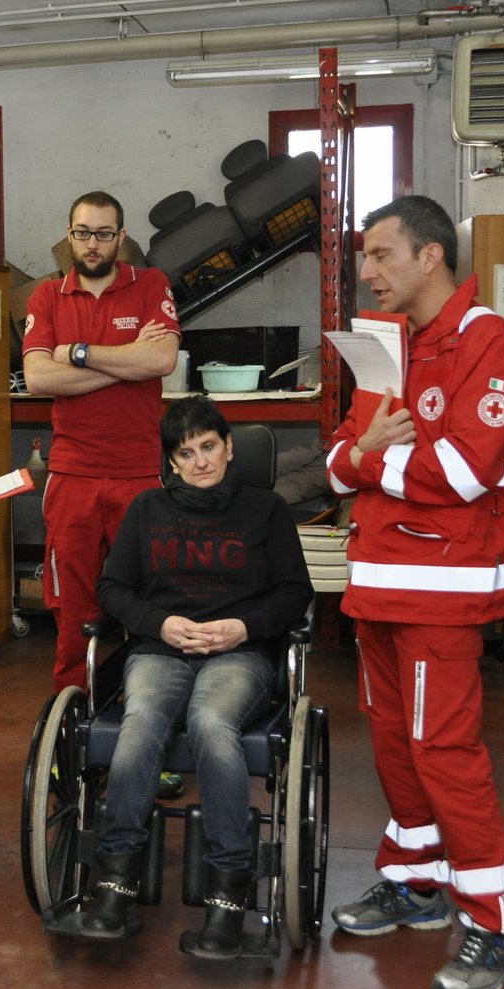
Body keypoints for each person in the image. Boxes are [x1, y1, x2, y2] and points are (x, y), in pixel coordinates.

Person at [324, 195, 504, 989]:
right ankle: (414, 878)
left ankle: (497, 923)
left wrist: (370, 457)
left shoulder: (491, 343)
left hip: (443, 595)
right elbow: (338, 463)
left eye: (380, 256)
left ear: (431, 257)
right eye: (365, 258)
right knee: (394, 743)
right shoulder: (385, 348)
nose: (368, 273)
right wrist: (369, 454)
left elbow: (462, 472)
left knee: (445, 750)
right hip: (376, 583)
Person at [86, 397, 313, 958]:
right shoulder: (146, 511)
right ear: (171, 463)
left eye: (209, 446)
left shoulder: (267, 510)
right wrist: (161, 625)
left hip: (239, 653)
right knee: (140, 726)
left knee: (212, 724)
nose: (201, 461)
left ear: (230, 447)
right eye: (185, 453)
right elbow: (113, 591)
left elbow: (295, 593)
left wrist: (242, 626)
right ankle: (114, 883)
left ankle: (229, 890)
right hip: (162, 650)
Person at [21, 191, 181, 695]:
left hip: (138, 474)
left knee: (150, 601)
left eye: (104, 234)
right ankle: (74, 710)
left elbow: (161, 362)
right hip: (72, 477)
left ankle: (148, 709)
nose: (93, 244)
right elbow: (39, 379)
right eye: (83, 233)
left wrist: (81, 354)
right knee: (73, 607)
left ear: (122, 237)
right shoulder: (46, 297)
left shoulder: (151, 284)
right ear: (69, 236)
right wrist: (127, 359)